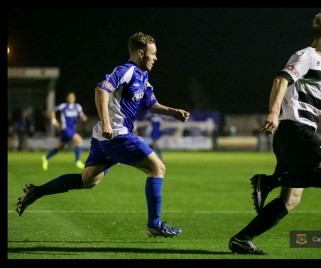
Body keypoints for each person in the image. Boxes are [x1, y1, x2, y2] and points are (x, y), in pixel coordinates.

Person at [16, 32, 190, 238]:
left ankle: (37, 191)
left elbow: (151, 104)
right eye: (153, 54)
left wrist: (173, 112)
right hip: (117, 135)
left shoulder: (143, 76)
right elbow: (101, 90)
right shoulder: (126, 71)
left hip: (104, 138)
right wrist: (107, 122)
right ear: (141, 53)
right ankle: (154, 224)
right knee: (158, 168)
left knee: (88, 180)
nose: (156, 58)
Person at [228, 10, 321, 255]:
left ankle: (242, 238)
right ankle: (269, 180)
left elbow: (315, 111)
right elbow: (280, 80)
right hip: (295, 132)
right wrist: (273, 113)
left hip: (296, 132)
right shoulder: (308, 55)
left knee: (291, 199)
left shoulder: (319, 65)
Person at [42, 92, 87, 170]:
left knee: (61, 147)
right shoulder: (63, 106)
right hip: (65, 129)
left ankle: (46, 158)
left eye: (72, 97)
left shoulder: (77, 107)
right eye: (69, 97)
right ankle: (77, 161)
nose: (71, 98)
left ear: (74, 98)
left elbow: (82, 115)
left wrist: (84, 117)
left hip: (72, 129)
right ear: (67, 98)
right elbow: (52, 110)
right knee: (79, 140)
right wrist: (53, 120)